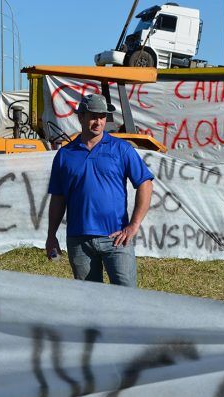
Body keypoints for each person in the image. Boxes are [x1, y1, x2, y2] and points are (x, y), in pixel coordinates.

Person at [45, 93, 154, 287]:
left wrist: (134, 224)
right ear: (81, 116)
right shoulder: (65, 155)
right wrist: (51, 235)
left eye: (102, 116)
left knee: (127, 297)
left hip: (117, 238)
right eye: (93, 116)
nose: (98, 122)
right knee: (89, 302)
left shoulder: (121, 149)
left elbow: (145, 183)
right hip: (79, 240)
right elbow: (58, 198)